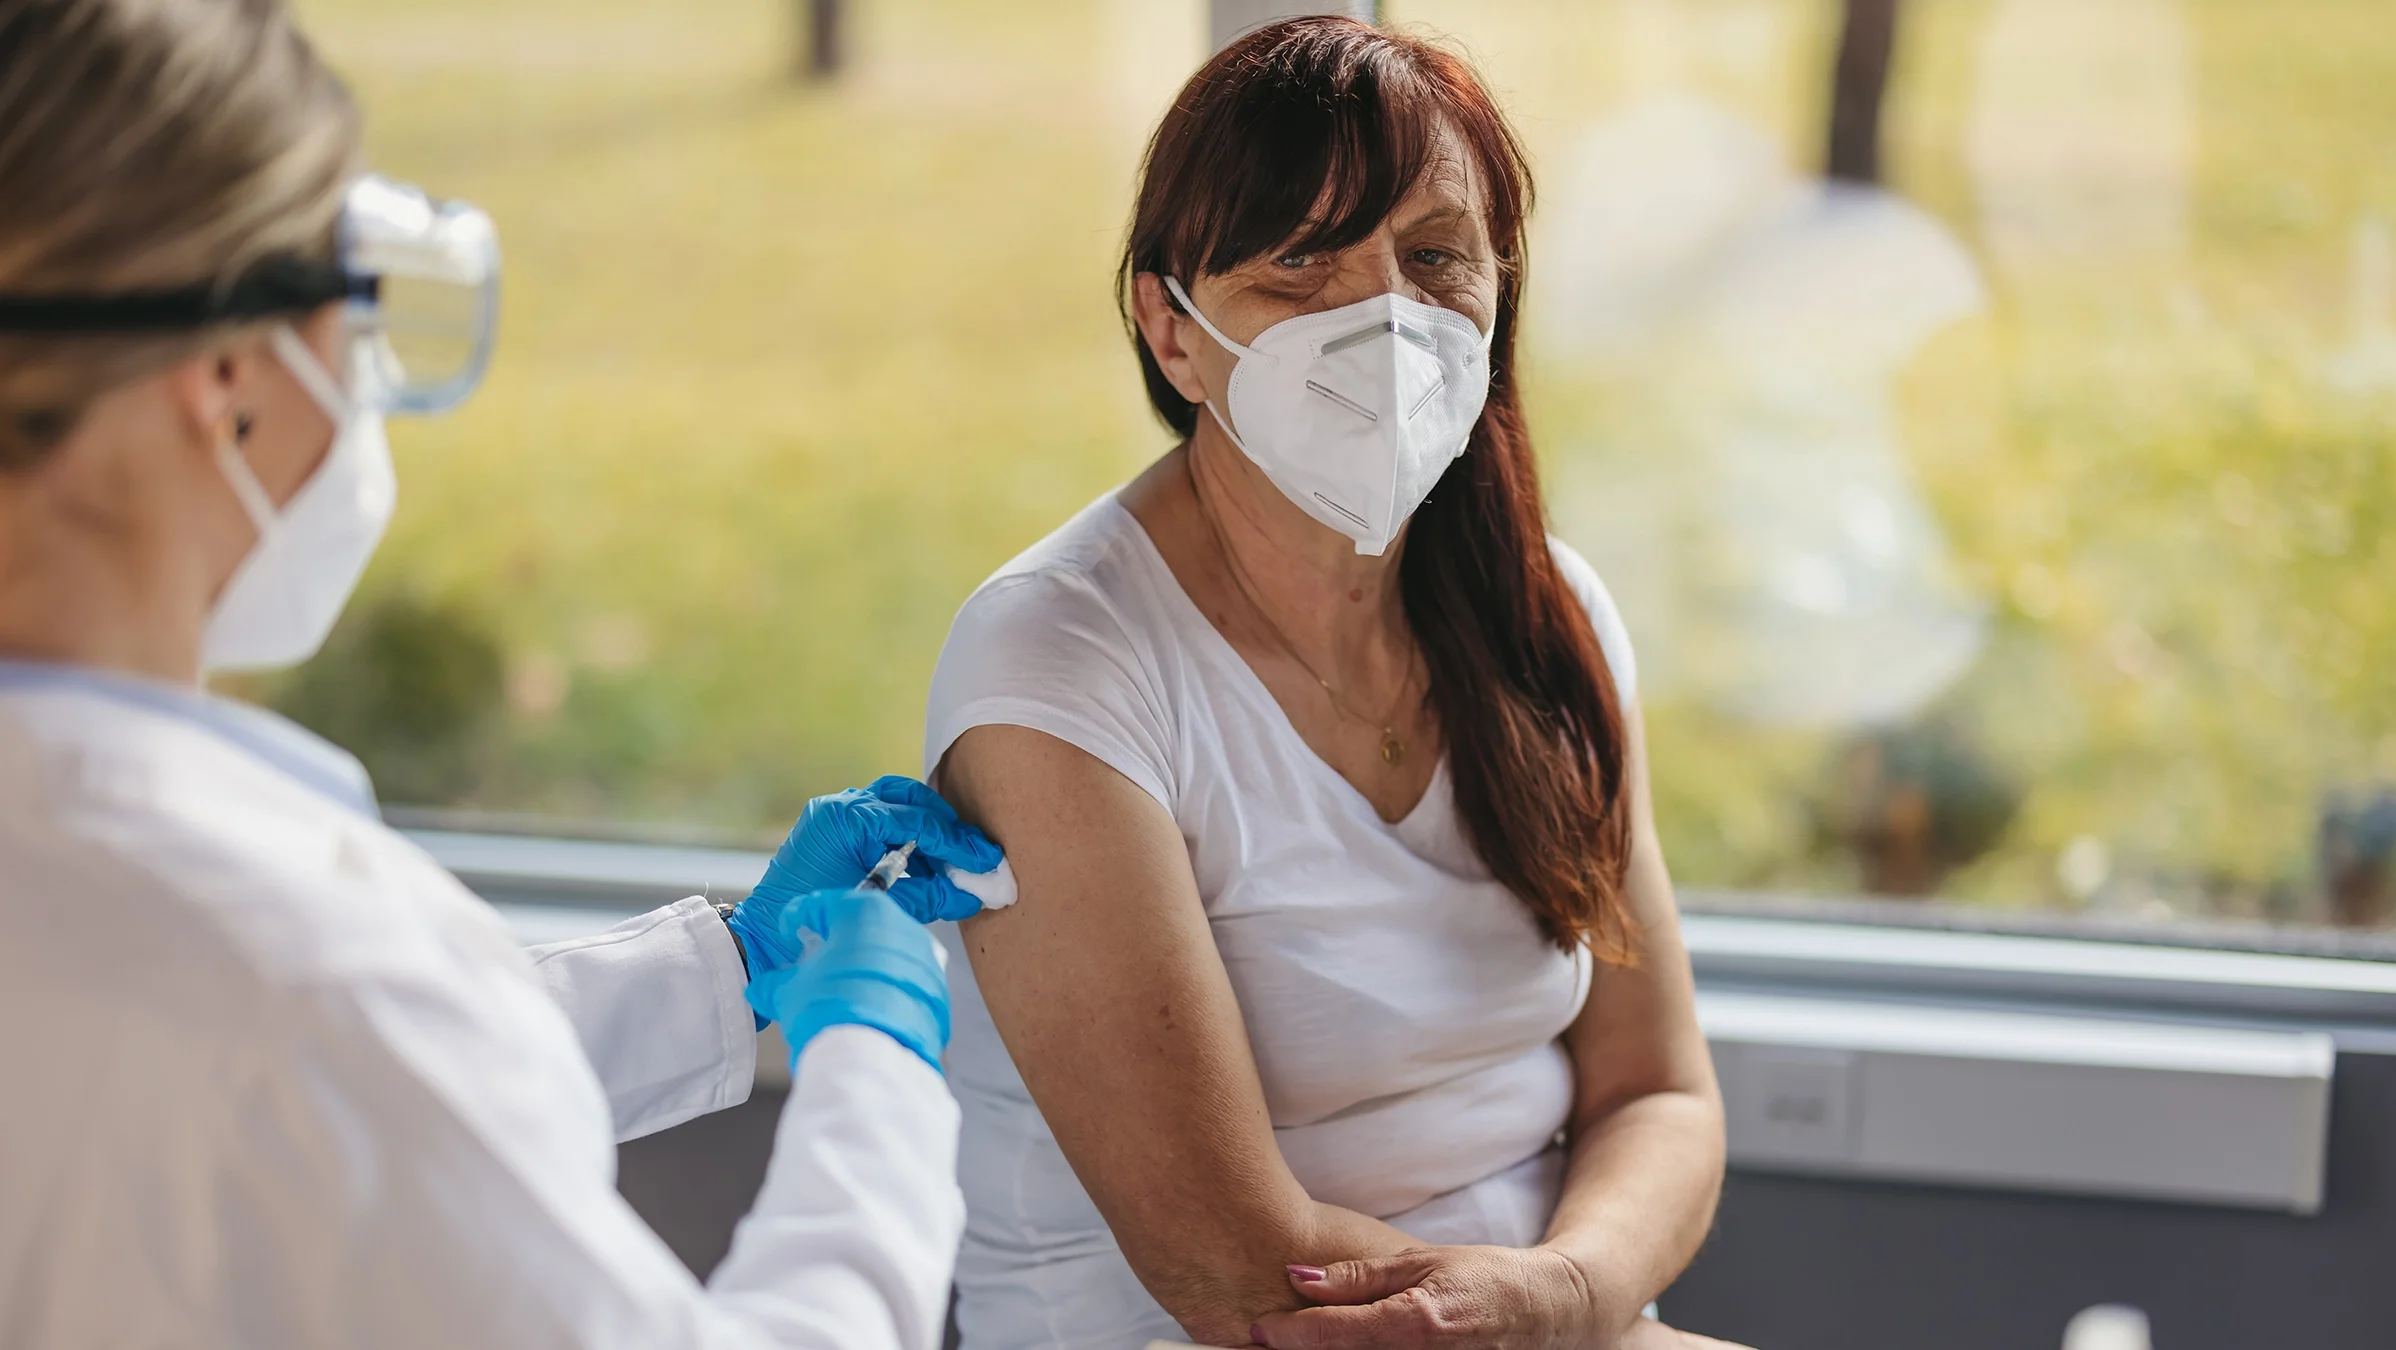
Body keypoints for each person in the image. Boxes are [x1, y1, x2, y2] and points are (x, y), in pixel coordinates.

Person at [0, 1, 1000, 1345]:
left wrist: (727, 968)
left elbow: (345, 1102)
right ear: (225, 374)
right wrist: (875, 1071)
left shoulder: (230, 963)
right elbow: (334, 1059)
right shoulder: (300, 978)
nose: (359, 381)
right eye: (349, 315)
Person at [925, 18, 1744, 1350]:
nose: (1382, 318)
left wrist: (1572, 1295)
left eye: (1432, 257)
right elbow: (1240, 1274)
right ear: (1170, 329)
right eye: (1300, 263)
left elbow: (1659, 1093)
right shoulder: (1060, 669)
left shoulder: (1550, 619)